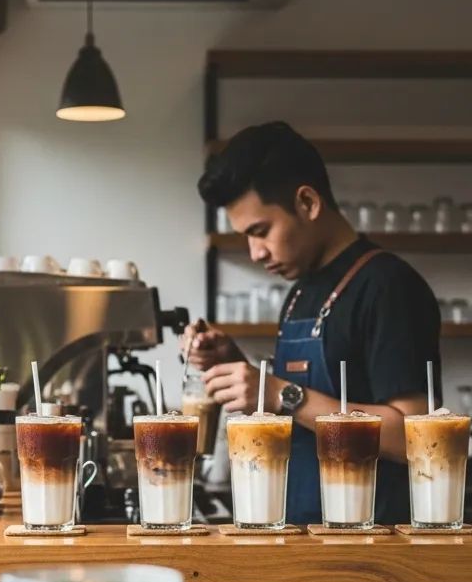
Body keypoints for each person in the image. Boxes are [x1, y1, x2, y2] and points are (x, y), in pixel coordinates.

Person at [187, 121, 442, 525]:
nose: (255, 252)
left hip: (370, 544)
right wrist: (242, 372)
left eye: (261, 231)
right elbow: (295, 409)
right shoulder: (301, 292)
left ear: (307, 202)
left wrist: (281, 393)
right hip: (300, 531)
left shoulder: (387, 286)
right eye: (244, 238)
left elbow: (417, 436)